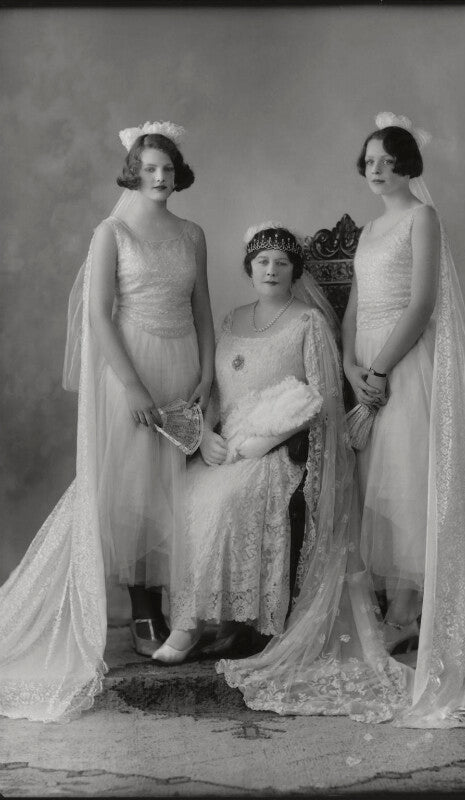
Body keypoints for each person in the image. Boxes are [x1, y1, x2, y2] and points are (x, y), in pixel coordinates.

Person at [217, 114, 465, 727]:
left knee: (412, 482)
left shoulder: (421, 218)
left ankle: (417, 610)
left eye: (387, 160)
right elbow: (356, 306)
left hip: (407, 364)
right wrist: (355, 367)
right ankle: (396, 611)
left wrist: (382, 370)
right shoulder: (373, 229)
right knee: (370, 485)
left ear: (408, 164)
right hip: (367, 367)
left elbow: (422, 303)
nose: (376, 169)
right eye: (370, 161)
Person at [0, 121, 215, 722]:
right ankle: (142, 606)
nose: (160, 177)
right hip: (131, 364)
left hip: (183, 359)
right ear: (133, 172)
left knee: (179, 487)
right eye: (149, 168)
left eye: (168, 168)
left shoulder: (193, 234)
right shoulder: (111, 232)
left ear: (178, 172)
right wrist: (131, 384)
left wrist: (207, 377)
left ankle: (176, 604)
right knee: (134, 486)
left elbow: (204, 310)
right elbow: (100, 317)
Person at [151, 222, 350, 664]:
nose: (271, 270)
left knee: (225, 499)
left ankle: (187, 630)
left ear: (295, 270)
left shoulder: (308, 322)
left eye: (282, 263)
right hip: (229, 442)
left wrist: (269, 440)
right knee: (185, 493)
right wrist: (205, 438)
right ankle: (204, 616)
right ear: (250, 268)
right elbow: (218, 393)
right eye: (262, 262)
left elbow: (324, 399)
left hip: (278, 448)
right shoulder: (232, 318)